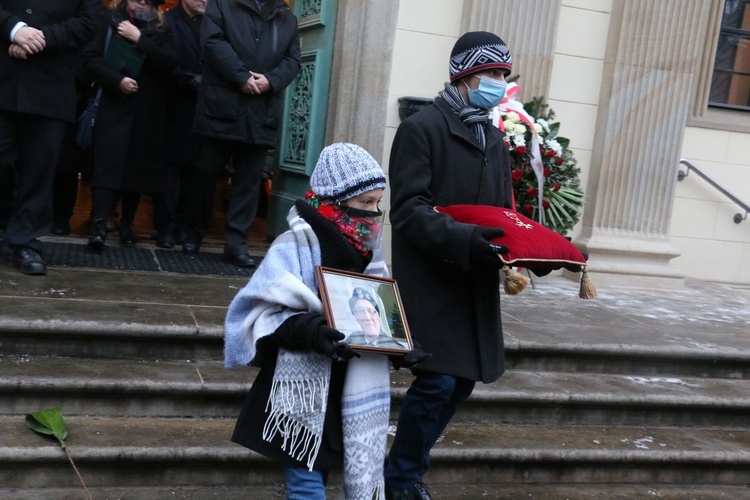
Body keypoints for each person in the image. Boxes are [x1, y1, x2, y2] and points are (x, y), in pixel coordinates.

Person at [225, 143, 421, 499]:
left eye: (378, 203)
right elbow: (262, 312)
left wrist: (398, 348)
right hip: (302, 388)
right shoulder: (294, 243)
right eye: (365, 203)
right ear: (334, 199)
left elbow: (374, 310)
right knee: (306, 486)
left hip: (347, 384)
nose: (374, 213)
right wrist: (311, 330)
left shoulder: (367, 248)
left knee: (318, 476)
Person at [384, 31, 514, 499]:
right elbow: (407, 210)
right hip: (432, 281)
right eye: (492, 74)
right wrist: (465, 240)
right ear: (464, 75)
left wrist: (527, 250)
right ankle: (400, 480)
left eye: (504, 74)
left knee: (460, 386)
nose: (499, 83)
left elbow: (502, 213)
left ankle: (407, 471)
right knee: (437, 382)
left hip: (472, 282)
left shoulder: (494, 137)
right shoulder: (422, 128)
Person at [181, 0, 301, 267]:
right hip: (220, 107)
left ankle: (237, 245)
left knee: (248, 183)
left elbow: (293, 60)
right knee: (204, 175)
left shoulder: (288, 19)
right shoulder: (222, 5)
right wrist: (240, 77)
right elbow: (213, 43)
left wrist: (270, 80)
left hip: (261, 111)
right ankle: (193, 234)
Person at [0, 0, 102, 274]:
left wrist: (39, 39)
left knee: (39, 170)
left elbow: (90, 22)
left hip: (50, 87)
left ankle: (25, 241)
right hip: (4, 75)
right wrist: (13, 29)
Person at [83, 0, 177, 250]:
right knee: (106, 165)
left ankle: (127, 223)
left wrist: (140, 39)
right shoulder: (109, 19)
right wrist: (117, 81)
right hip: (113, 104)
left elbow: (170, 64)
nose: (142, 2)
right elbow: (90, 60)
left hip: (147, 109)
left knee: (138, 167)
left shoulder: (162, 28)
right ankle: (99, 224)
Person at [152, 0, 206, 249]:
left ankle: (187, 225)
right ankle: (166, 226)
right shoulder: (167, 21)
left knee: (196, 171)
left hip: (205, 109)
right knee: (169, 171)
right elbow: (162, 62)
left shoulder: (215, 24)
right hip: (172, 106)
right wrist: (188, 81)